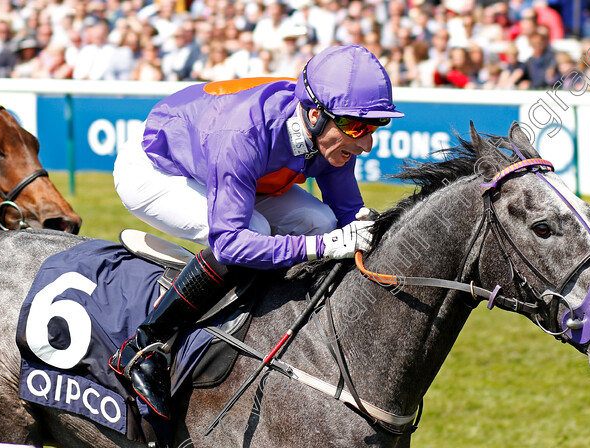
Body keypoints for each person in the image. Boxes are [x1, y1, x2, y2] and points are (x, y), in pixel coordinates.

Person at [109, 44, 403, 419]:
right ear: (315, 115)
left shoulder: (331, 134)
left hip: (242, 175)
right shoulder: (244, 133)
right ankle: (143, 347)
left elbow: (346, 216)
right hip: (158, 169)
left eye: (376, 127)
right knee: (256, 230)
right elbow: (230, 243)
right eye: (358, 127)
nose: (366, 143)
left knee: (322, 223)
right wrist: (323, 247)